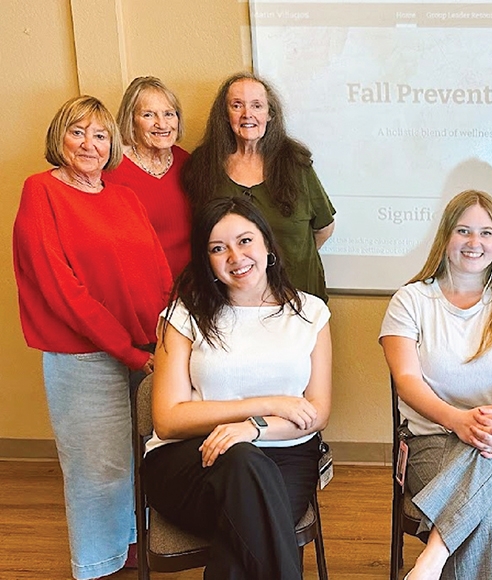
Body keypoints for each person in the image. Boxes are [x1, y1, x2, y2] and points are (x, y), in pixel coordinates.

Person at [12, 95, 172, 579]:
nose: (90, 144)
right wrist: (128, 349)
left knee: (138, 461)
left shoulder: (123, 196)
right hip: (84, 356)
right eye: (77, 132)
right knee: (97, 471)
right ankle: (99, 564)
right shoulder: (40, 191)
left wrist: (167, 337)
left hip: (146, 351)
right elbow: (63, 292)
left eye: (100, 135)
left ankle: (130, 547)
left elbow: (158, 273)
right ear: (58, 138)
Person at [140, 196, 332, 579]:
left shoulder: (310, 313)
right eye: (217, 248)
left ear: (266, 245)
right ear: (206, 259)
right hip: (191, 460)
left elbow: (316, 412)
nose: (235, 256)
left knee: (242, 533)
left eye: (245, 241)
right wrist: (268, 405)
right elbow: (168, 420)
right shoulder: (183, 314)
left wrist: (253, 429)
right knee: (243, 465)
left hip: (286, 457)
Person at [379, 190, 492, 580]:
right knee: (482, 513)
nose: (475, 243)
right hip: (431, 438)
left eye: (486, 233)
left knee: (490, 449)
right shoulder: (410, 301)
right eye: (464, 231)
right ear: (445, 237)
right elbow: (406, 381)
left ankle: (431, 559)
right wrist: (457, 421)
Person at [182, 72, 336, 301]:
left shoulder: (296, 163)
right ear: (224, 115)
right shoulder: (203, 166)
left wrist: (286, 260)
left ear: (270, 114)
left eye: (257, 106)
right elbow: (200, 236)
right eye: (237, 106)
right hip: (230, 304)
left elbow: (324, 227)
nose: (248, 114)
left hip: (298, 298)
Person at [103, 76, 192, 277]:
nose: (162, 124)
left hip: (194, 285)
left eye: (169, 114)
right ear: (131, 120)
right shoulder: (111, 171)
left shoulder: (189, 164)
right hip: (142, 286)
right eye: (149, 115)